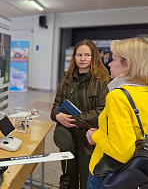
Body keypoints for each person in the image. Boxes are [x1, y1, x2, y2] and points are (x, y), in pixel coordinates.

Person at [86, 36, 148, 189]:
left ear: (127, 64)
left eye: (113, 60)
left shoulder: (118, 96)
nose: (109, 64)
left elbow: (120, 151)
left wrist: (96, 135)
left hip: (110, 174)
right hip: (138, 173)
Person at [51, 40, 110, 189]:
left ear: (94, 57)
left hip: (88, 140)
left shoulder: (102, 81)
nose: (82, 58)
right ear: (74, 57)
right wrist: (57, 115)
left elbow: (101, 112)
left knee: (86, 179)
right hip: (68, 139)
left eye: (87, 55)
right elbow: (56, 106)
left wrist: (75, 120)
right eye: (79, 55)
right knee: (69, 177)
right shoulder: (67, 79)